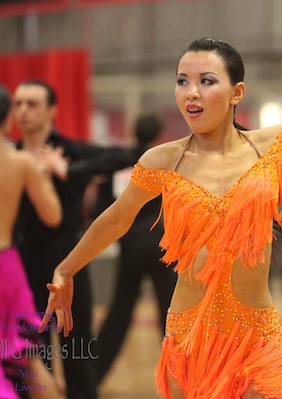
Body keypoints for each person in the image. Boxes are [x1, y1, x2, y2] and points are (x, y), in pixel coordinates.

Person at [37, 37, 282, 399]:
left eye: (206, 81)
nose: (190, 92)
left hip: (257, 337)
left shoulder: (270, 144)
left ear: (236, 92)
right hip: (191, 340)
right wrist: (66, 270)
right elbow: (115, 220)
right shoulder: (163, 161)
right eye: (182, 81)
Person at [13, 79, 132, 399]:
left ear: (52, 110)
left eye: (32, 103)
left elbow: (125, 156)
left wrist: (68, 169)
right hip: (22, 265)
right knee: (31, 356)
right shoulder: (11, 155)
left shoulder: (69, 150)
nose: (23, 111)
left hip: (69, 262)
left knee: (77, 349)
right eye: (18, 104)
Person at [0, 82, 62, 399]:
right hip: (7, 267)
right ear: (8, 119)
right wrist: (43, 174)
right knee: (29, 359)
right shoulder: (23, 163)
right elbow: (53, 216)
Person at [94, 113, 178, 383]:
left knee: (120, 310)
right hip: (161, 245)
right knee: (171, 312)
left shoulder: (121, 163)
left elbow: (103, 207)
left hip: (130, 245)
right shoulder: (163, 162)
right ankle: (182, 377)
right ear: (157, 136)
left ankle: (94, 375)